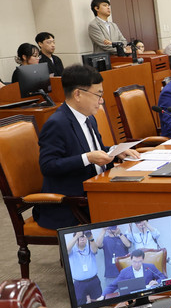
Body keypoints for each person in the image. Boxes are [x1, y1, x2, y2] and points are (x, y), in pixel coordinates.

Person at [35, 65, 139, 229]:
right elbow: (48, 166)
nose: (101, 100)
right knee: (136, 209)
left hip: (97, 189)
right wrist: (87, 158)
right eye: (98, 95)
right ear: (78, 94)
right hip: (72, 204)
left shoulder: (89, 118)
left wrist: (116, 150)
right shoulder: (57, 123)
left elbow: (94, 149)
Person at [102, 249, 168, 296]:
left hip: (149, 295)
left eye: (139, 262)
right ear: (131, 260)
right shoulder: (124, 272)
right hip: (133, 297)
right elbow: (112, 286)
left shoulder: (150, 267)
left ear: (143, 260)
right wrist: (103, 295)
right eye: (134, 261)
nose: (136, 264)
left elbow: (163, 277)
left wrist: (157, 282)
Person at [66, 231, 102, 305]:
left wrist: (91, 238)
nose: (82, 239)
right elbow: (66, 250)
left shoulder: (90, 247)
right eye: (80, 237)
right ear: (76, 239)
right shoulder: (72, 250)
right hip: (79, 283)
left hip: (93, 281)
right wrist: (76, 236)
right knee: (80, 304)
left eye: (84, 237)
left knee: (99, 301)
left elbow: (95, 250)